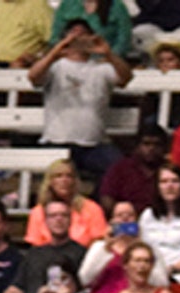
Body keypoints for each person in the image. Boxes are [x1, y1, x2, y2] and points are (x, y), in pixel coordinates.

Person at [30, 20, 130, 179]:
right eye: (73, 33)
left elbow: (125, 78)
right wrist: (55, 52)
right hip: (57, 141)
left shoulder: (102, 68)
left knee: (119, 169)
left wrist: (108, 54)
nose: (78, 37)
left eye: (84, 33)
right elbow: (33, 77)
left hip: (94, 144)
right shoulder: (56, 67)